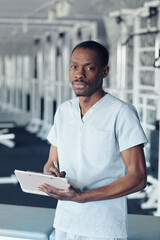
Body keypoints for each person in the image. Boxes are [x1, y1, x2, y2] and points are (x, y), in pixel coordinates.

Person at [38, 40, 148, 240]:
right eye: (74, 67)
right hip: (65, 220)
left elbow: (138, 178)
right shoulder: (63, 111)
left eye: (89, 68)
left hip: (102, 226)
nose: (79, 74)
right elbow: (51, 162)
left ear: (104, 72)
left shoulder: (121, 113)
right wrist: (50, 174)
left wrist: (82, 197)